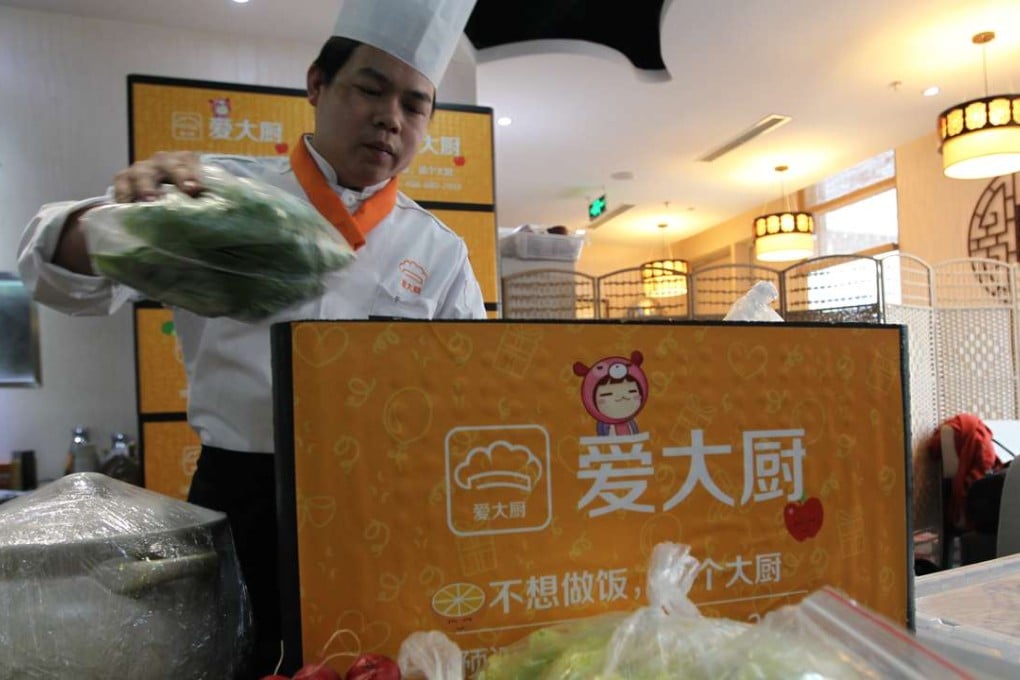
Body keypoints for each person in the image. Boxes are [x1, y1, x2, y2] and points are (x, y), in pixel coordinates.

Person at [17, 0, 482, 675]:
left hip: (380, 499)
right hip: (242, 494)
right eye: (370, 88)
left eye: (415, 106)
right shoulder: (219, 194)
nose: (391, 118)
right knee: (231, 659)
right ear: (317, 86)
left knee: (369, 661)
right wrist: (108, 224)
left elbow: (463, 391)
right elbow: (53, 273)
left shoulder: (439, 252)